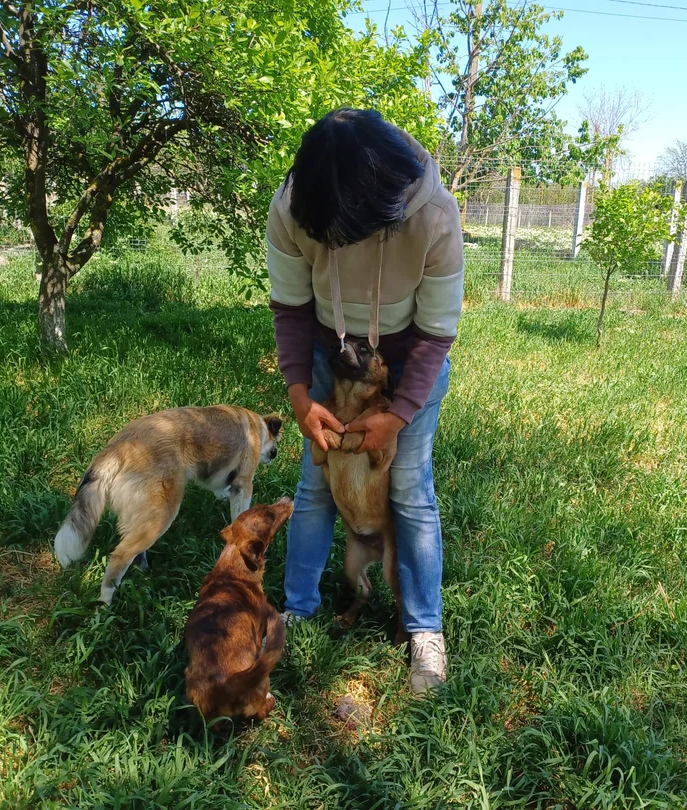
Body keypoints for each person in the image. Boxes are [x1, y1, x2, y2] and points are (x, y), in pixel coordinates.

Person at [265, 108, 464, 694]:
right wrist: (301, 396)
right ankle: (296, 612)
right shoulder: (293, 206)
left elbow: (436, 333)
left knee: (408, 488)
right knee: (313, 486)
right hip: (333, 360)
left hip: (408, 361)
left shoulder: (433, 216)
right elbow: (292, 309)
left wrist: (399, 415)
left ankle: (425, 630)